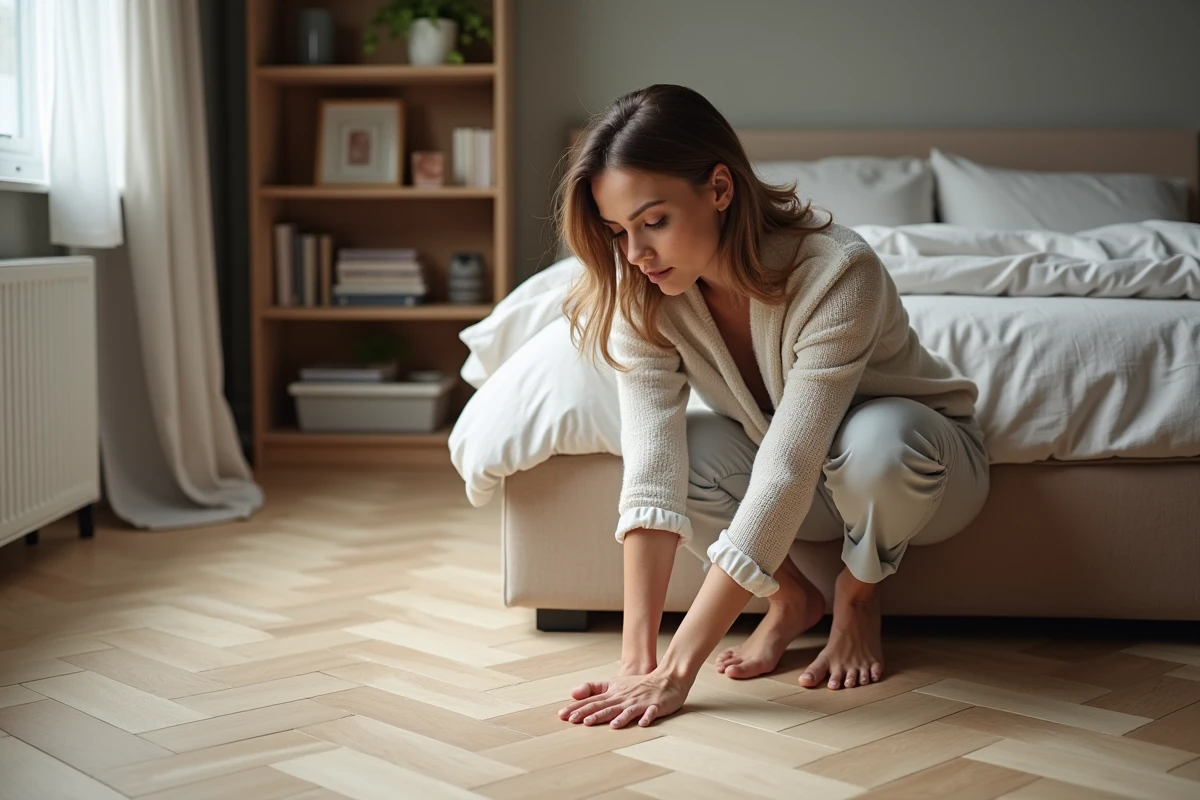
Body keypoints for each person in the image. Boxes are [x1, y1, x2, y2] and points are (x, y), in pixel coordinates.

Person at [552, 84, 990, 730]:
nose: (636, 254)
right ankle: (790, 600)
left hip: (921, 471)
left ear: (720, 189)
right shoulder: (644, 294)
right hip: (807, 481)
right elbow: (652, 474)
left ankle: (857, 597)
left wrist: (680, 673)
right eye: (618, 232)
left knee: (876, 441)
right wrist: (636, 663)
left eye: (655, 221)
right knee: (685, 450)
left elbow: (788, 466)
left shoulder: (839, 272)